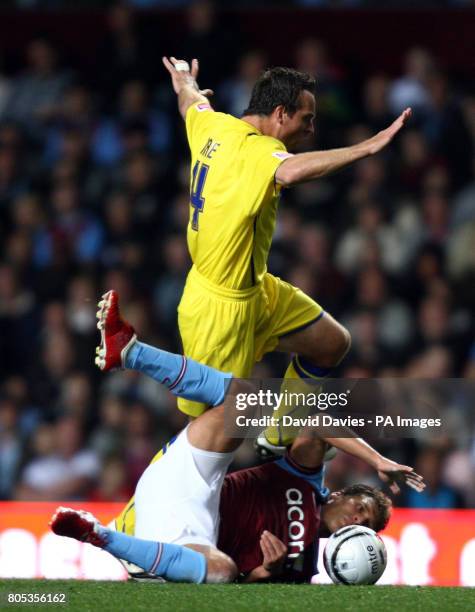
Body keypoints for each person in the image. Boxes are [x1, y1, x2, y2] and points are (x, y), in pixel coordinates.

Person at [51, 290, 424, 584]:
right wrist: (378, 460)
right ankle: (130, 351)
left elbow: (242, 585)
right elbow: (315, 425)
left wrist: (267, 571)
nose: (358, 518)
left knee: (222, 572)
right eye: (362, 506)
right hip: (189, 484)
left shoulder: (300, 571)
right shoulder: (307, 479)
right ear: (342, 494)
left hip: (185, 540)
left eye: (367, 523)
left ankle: (101, 537)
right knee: (251, 400)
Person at [157, 56, 412, 450]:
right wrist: (367, 148)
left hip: (256, 290)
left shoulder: (214, 124)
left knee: (331, 342)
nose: (311, 129)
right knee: (207, 442)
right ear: (280, 113)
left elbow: (192, 103)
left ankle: (277, 435)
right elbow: (291, 171)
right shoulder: (258, 152)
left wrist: (186, 82)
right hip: (218, 311)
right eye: (306, 119)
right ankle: (143, 511)